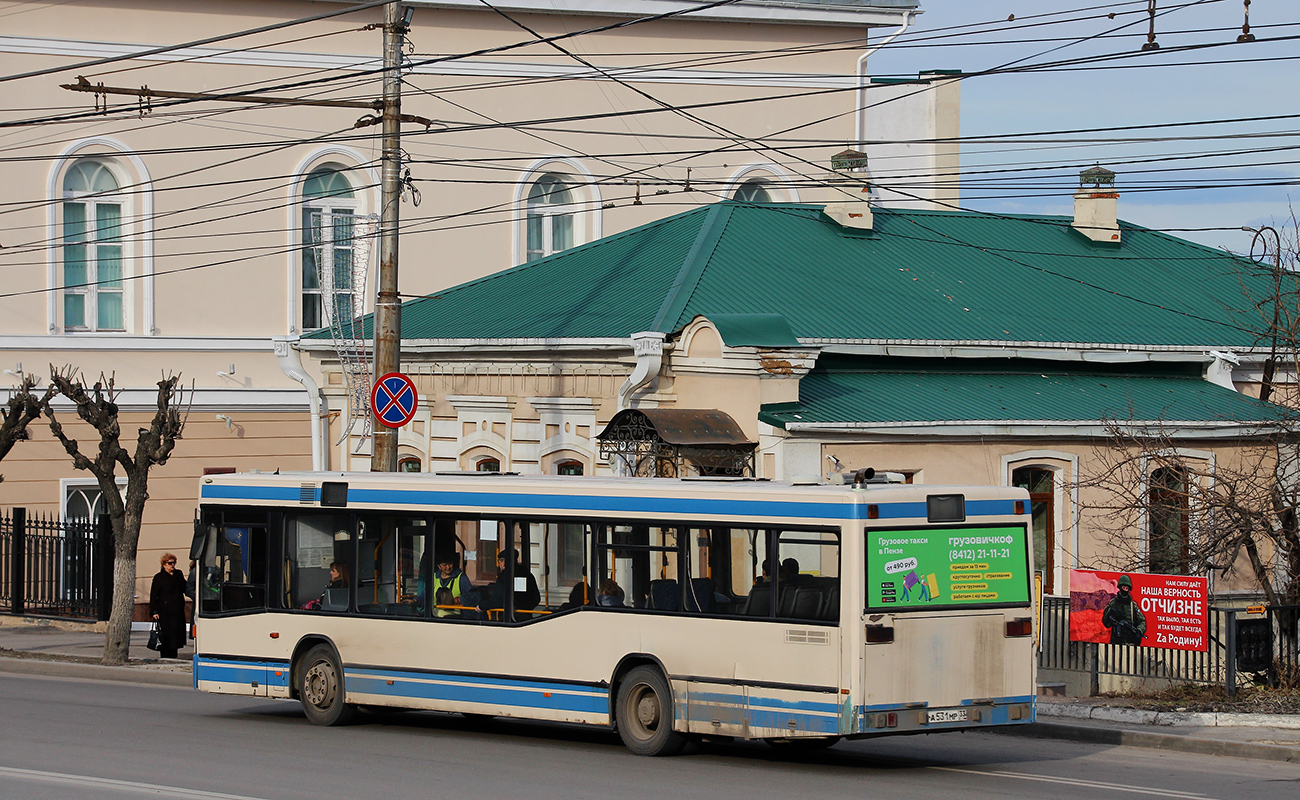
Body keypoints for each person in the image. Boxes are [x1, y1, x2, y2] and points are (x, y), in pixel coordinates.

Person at [481, 549, 541, 618]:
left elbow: (497, 600)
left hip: (508, 617)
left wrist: (482, 606)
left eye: (499, 561)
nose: (499, 564)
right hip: (526, 617)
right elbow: (536, 598)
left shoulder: (504, 576)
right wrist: (525, 609)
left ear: (503, 563)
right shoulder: (526, 574)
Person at [150, 552, 188, 659]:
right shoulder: (159, 577)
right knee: (166, 635)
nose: (172, 565)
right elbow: (154, 595)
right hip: (165, 612)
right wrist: (154, 611)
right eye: (170, 563)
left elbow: (185, 588)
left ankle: (174, 655)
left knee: (176, 635)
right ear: (164, 564)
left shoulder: (178, 574)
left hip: (177, 610)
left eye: (174, 563)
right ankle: (165, 656)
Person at [1102, 574, 1147, 645]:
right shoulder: (1113, 603)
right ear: (1120, 588)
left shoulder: (1133, 606)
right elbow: (1105, 622)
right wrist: (1111, 611)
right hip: (1116, 641)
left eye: (1127, 588)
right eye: (1124, 587)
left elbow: (1142, 621)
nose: (1125, 590)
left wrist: (1139, 631)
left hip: (1130, 641)